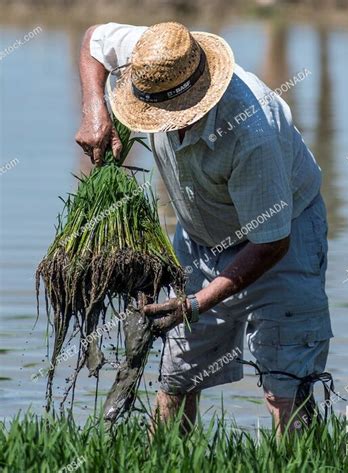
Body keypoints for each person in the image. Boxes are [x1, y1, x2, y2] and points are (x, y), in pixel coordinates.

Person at [75, 21, 333, 433]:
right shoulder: (157, 56)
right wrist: (94, 108)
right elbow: (94, 39)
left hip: (284, 236)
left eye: (172, 115)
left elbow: (271, 243)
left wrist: (195, 304)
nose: (162, 123)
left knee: (286, 384)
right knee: (178, 377)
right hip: (201, 234)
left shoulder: (251, 135)